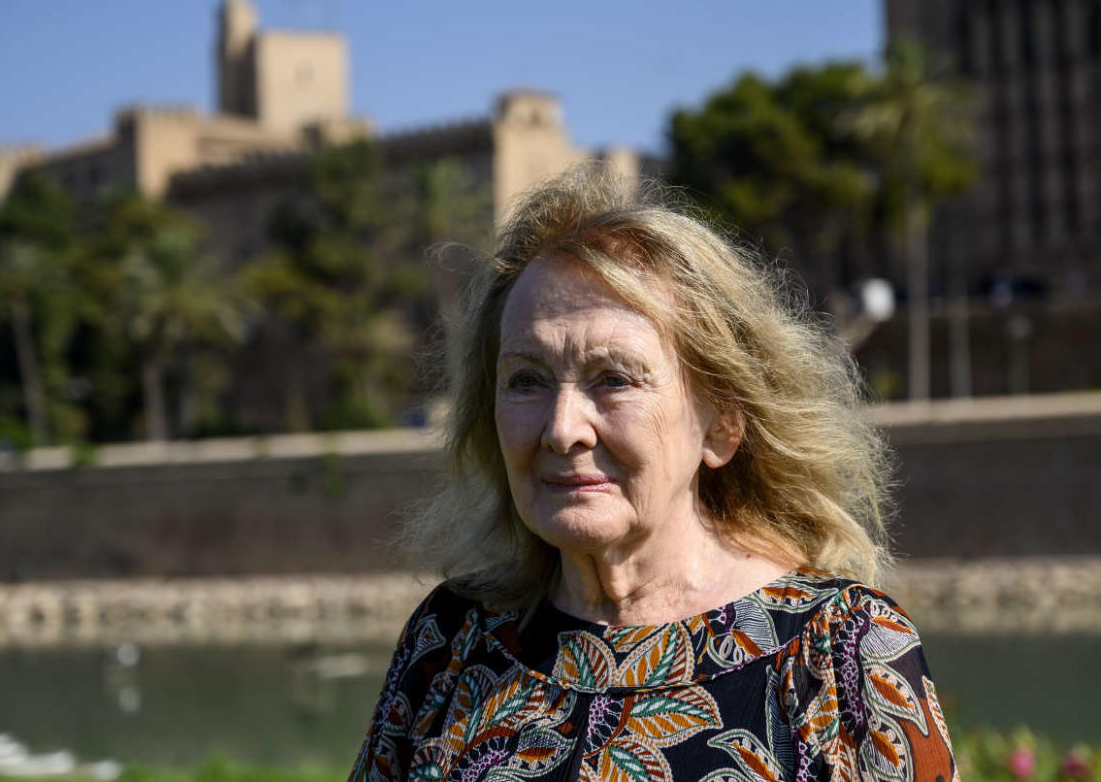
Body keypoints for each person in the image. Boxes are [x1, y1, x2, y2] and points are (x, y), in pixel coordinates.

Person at [350, 170, 957, 782]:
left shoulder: (843, 654)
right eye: (526, 380)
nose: (563, 429)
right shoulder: (451, 639)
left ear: (721, 423)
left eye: (613, 379)